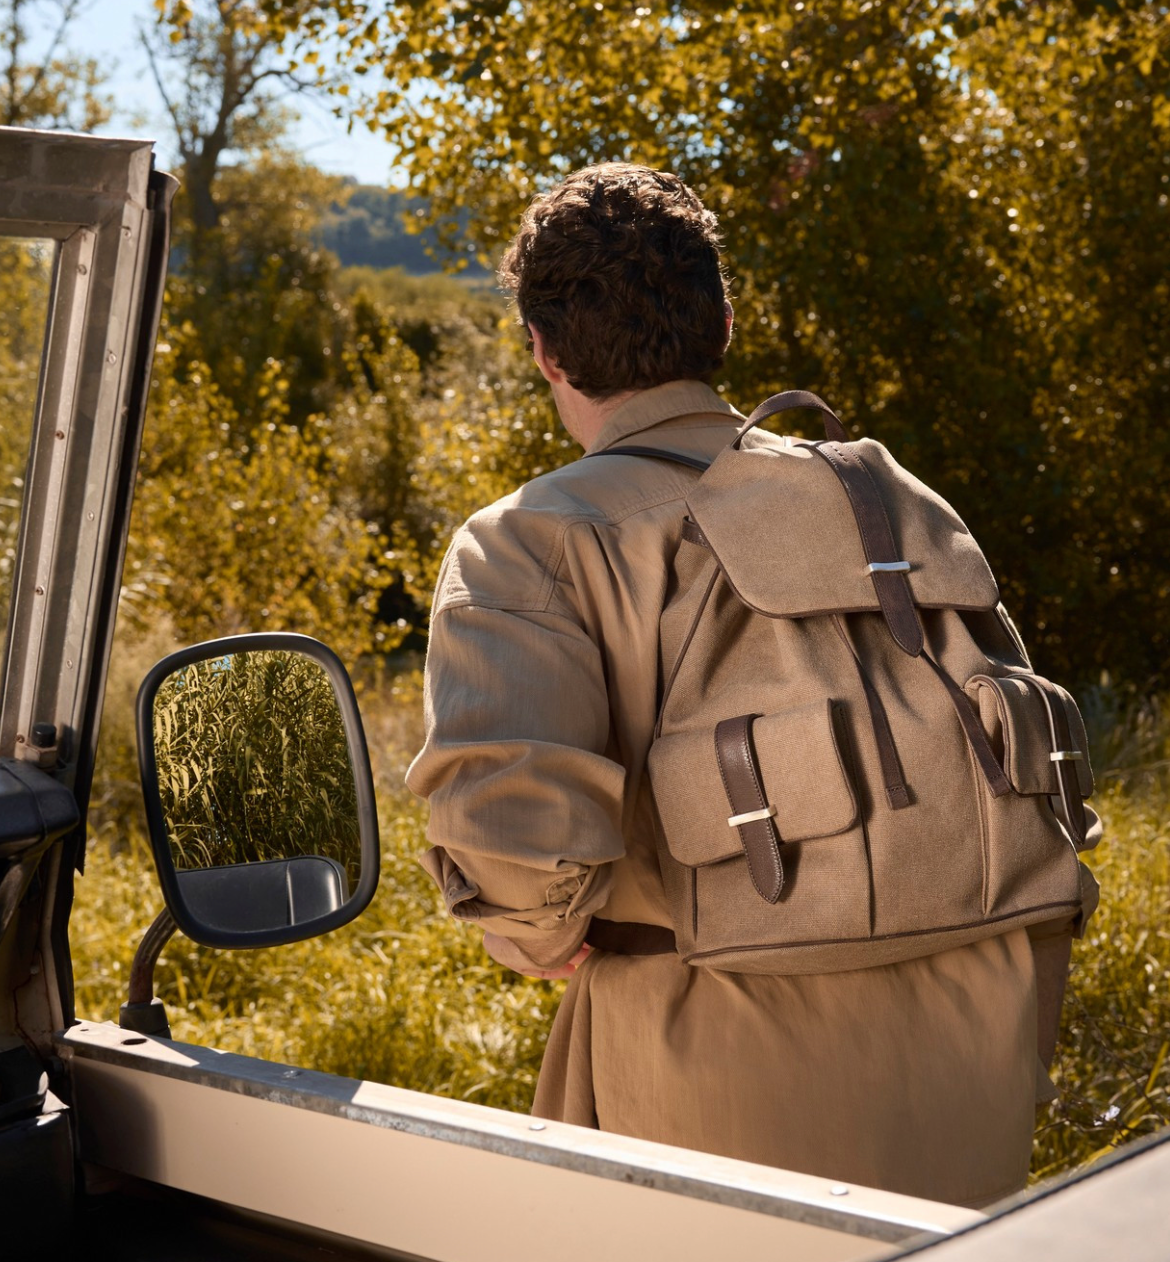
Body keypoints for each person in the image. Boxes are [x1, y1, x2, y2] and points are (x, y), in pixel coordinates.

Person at [406, 163, 1079, 1208]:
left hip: (709, 1073)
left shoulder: (525, 542)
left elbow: (521, 856)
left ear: (542, 348)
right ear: (722, 319)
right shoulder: (890, 499)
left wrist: (529, 933)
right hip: (978, 1047)